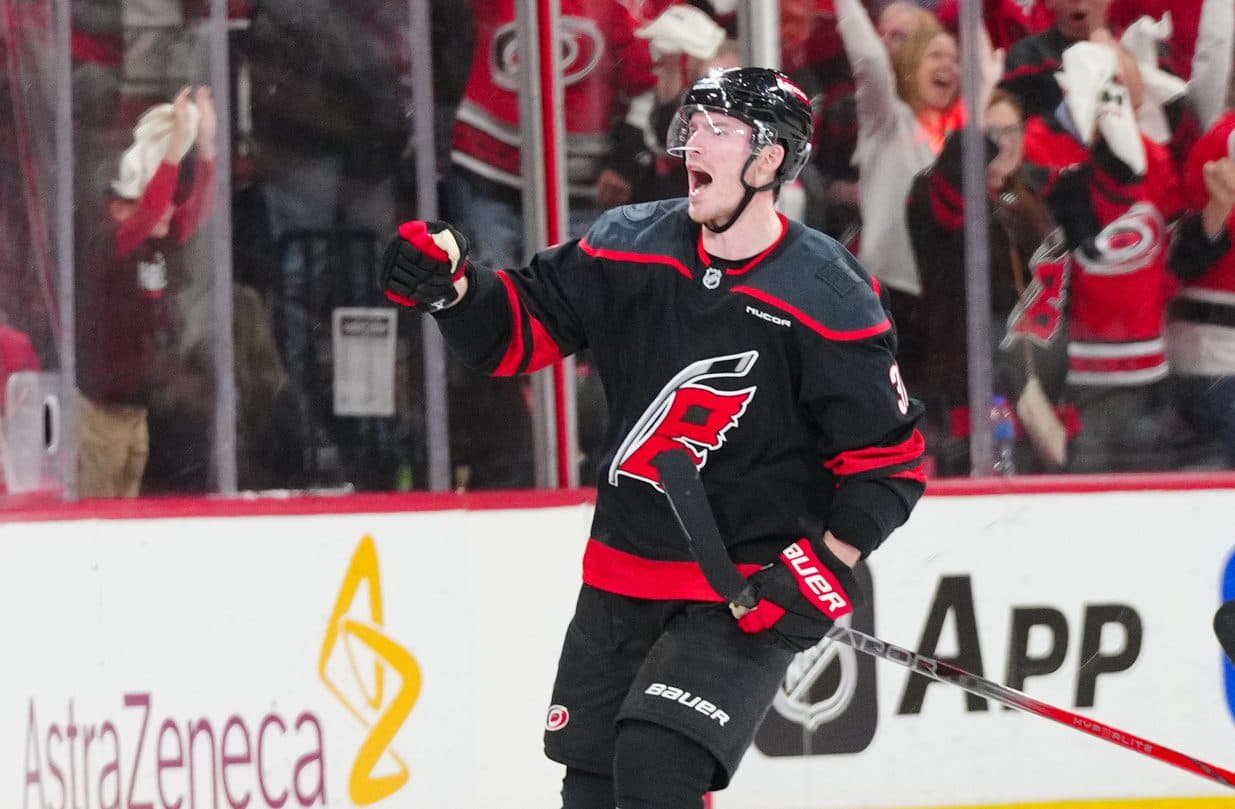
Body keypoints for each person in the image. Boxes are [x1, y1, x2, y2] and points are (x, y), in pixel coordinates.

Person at [380, 67, 925, 809]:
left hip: (738, 593)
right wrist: (452, 289)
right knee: (594, 792)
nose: (694, 142)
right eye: (692, 125)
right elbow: (517, 331)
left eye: (719, 130)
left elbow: (888, 462)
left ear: (769, 159)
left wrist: (823, 565)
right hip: (620, 575)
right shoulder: (627, 243)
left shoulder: (826, 294)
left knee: (655, 764)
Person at [906, 89, 1065, 474]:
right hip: (971, 392)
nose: (1005, 143)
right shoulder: (936, 195)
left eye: (1013, 131)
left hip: (1040, 386)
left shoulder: (1034, 196)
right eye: (992, 134)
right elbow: (951, 181)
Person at [75, 86, 217, 498]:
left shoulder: (158, 245)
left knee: (129, 508)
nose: (166, 206)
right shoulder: (110, 247)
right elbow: (152, 209)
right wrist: (174, 147)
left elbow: (196, 208)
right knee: (98, 512)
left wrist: (205, 146)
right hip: (100, 414)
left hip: (135, 411)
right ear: (118, 209)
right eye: (149, 197)